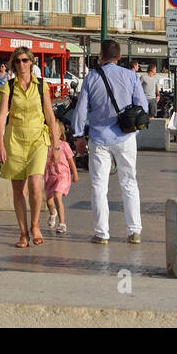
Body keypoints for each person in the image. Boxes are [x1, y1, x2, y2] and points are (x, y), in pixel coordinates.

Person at [70, 39, 147, 245]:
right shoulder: (131, 76)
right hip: (126, 137)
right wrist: (133, 132)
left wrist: (79, 136)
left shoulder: (91, 78)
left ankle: (102, 233)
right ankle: (134, 231)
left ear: (101, 56)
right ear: (120, 57)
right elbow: (143, 108)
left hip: (99, 138)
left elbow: (81, 109)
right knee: (129, 182)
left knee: (98, 186)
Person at [0, 47, 59, 248]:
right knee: (18, 190)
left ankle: (35, 226)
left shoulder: (42, 86)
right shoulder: (9, 86)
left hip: (37, 139)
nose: (21, 64)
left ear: (31, 62)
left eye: (25, 60)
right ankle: (23, 233)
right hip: (15, 139)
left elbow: (50, 116)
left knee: (34, 184)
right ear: (14, 64)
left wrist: (56, 146)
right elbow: (2, 115)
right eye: (18, 61)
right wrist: (0, 144)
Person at [43, 133, 78, 235]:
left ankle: (62, 224)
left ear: (60, 133)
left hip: (62, 175)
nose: (51, 133)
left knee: (57, 197)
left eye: (54, 131)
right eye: (49, 131)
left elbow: (71, 161)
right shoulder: (45, 146)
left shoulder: (64, 145)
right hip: (50, 176)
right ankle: (53, 213)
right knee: (49, 201)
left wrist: (75, 173)